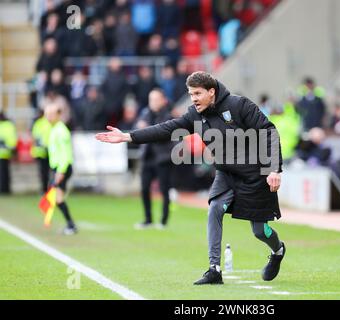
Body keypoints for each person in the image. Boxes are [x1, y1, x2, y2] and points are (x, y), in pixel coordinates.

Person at [96, 71, 286, 285]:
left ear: (211, 92)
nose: (193, 98)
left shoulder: (238, 105)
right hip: (226, 173)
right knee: (214, 208)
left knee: (260, 231)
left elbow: (269, 131)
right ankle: (214, 269)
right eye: (190, 93)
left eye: (197, 93)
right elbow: (166, 129)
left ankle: (278, 250)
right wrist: (128, 136)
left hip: (254, 174)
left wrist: (273, 169)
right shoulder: (194, 115)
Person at [134, 89, 175, 230]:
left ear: (163, 100)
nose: (153, 102)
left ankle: (163, 220)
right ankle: (148, 219)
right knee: (145, 189)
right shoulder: (145, 113)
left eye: (156, 99)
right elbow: (137, 129)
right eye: (151, 99)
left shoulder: (168, 115)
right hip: (147, 157)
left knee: (164, 190)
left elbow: (165, 134)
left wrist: (148, 130)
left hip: (162, 158)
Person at [45, 102, 77, 235]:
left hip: (62, 168)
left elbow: (65, 153)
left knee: (57, 197)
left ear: (58, 115)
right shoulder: (54, 129)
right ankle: (69, 225)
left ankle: (71, 225)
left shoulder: (61, 130)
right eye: (46, 114)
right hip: (57, 167)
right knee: (55, 197)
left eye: (51, 114)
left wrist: (60, 171)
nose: (48, 117)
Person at [31, 110, 52, 194]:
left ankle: (44, 189)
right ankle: (47, 189)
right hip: (47, 151)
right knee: (48, 172)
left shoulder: (38, 123)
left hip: (42, 151)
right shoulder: (48, 123)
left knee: (43, 172)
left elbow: (35, 137)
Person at [0, 112, 18, 195]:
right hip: (6, 152)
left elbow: (11, 139)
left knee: (3, 173)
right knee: (5, 172)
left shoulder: (7, 125)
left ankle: (4, 189)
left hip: (4, 152)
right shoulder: (9, 125)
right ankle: (5, 189)